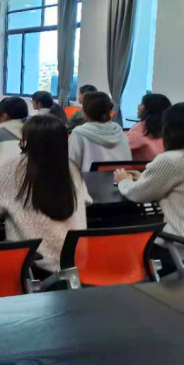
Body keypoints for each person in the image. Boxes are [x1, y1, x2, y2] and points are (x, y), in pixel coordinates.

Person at [0, 115, 91, 276]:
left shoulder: (11, 167)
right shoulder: (70, 168)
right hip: (74, 263)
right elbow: (86, 201)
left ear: (26, 141)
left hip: (33, 266)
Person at [115, 103, 184, 276]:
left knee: (125, 244)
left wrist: (123, 181)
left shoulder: (170, 160)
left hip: (176, 245)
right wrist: (145, 179)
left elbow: (137, 194)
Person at [69, 91, 131, 172]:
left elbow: (71, 165)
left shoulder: (79, 133)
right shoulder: (119, 131)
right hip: (121, 178)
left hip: (89, 179)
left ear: (86, 110)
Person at [126, 93, 171, 161]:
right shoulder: (170, 128)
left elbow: (122, 149)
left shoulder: (141, 129)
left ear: (148, 108)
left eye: (141, 103)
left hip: (146, 167)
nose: (138, 106)